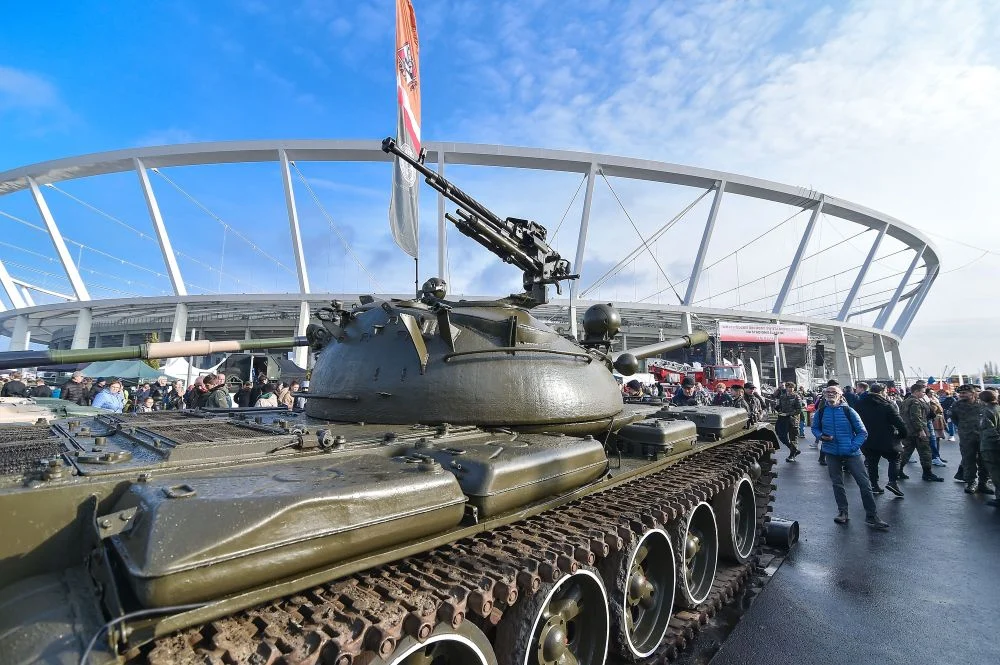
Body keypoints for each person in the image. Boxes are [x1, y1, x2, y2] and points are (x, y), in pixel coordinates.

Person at [811, 384, 888, 530]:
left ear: (840, 395)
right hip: (831, 452)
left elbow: (862, 432)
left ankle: (872, 516)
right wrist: (821, 436)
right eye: (828, 392)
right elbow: (815, 428)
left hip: (852, 453)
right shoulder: (821, 411)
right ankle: (843, 512)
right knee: (837, 483)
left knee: (864, 484)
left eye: (834, 392)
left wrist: (852, 447)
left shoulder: (849, 411)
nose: (830, 394)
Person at [855, 383, 907, 497]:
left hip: (867, 439)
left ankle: (874, 485)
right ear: (882, 391)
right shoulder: (887, 405)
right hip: (887, 439)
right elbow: (899, 423)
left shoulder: (859, 404)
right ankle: (892, 482)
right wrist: (902, 435)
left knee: (872, 462)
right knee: (895, 459)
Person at [950, 384, 992, 494]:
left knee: (984, 460)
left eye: (964, 393)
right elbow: (954, 418)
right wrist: (964, 427)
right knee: (968, 460)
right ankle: (971, 482)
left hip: (983, 436)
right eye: (960, 393)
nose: (961, 395)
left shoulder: (983, 404)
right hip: (966, 437)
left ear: (973, 393)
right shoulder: (957, 405)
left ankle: (983, 483)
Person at [898, 384, 943, 482]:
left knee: (906, 452)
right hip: (918, 431)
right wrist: (920, 430)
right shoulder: (916, 402)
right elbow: (916, 417)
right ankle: (927, 473)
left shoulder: (905, 401)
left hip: (908, 431)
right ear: (916, 391)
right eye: (922, 392)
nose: (924, 394)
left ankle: (898, 470)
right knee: (925, 452)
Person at [978, 390, 1000, 508]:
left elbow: (989, 432)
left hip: (991, 447)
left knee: (996, 472)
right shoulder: (998, 408)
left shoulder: (986, 412)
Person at [775, 381, 803, 462]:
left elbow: (799, 410)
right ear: (786, 388)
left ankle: (792, 455)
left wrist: (787, 414)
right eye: (788, 387)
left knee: (793, 438)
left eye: (791, 387)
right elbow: (780, 406)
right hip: (782, 419)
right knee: (781, 435)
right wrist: (779, 410)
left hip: (793, 420)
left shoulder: (796, 397)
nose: (790, 389)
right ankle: (793, 449)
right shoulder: (782, 396)